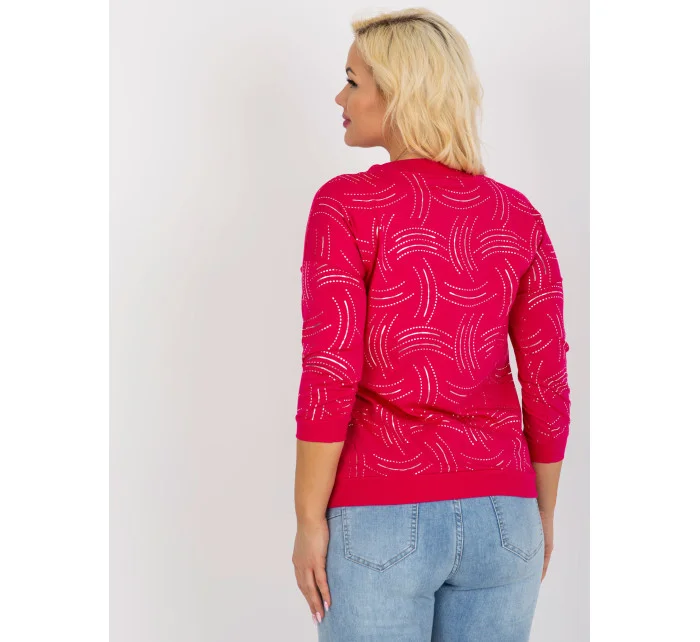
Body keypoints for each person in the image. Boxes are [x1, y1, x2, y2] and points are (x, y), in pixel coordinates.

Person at [291, 8, 571, 641]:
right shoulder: (518, 215)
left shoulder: (347, 205)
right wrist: (541, 512)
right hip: (506, 518)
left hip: (380, 515)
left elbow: (330, 373)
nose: (339, 97)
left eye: (353, 81)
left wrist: (309, 520)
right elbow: (547, 381)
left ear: (399, 92)